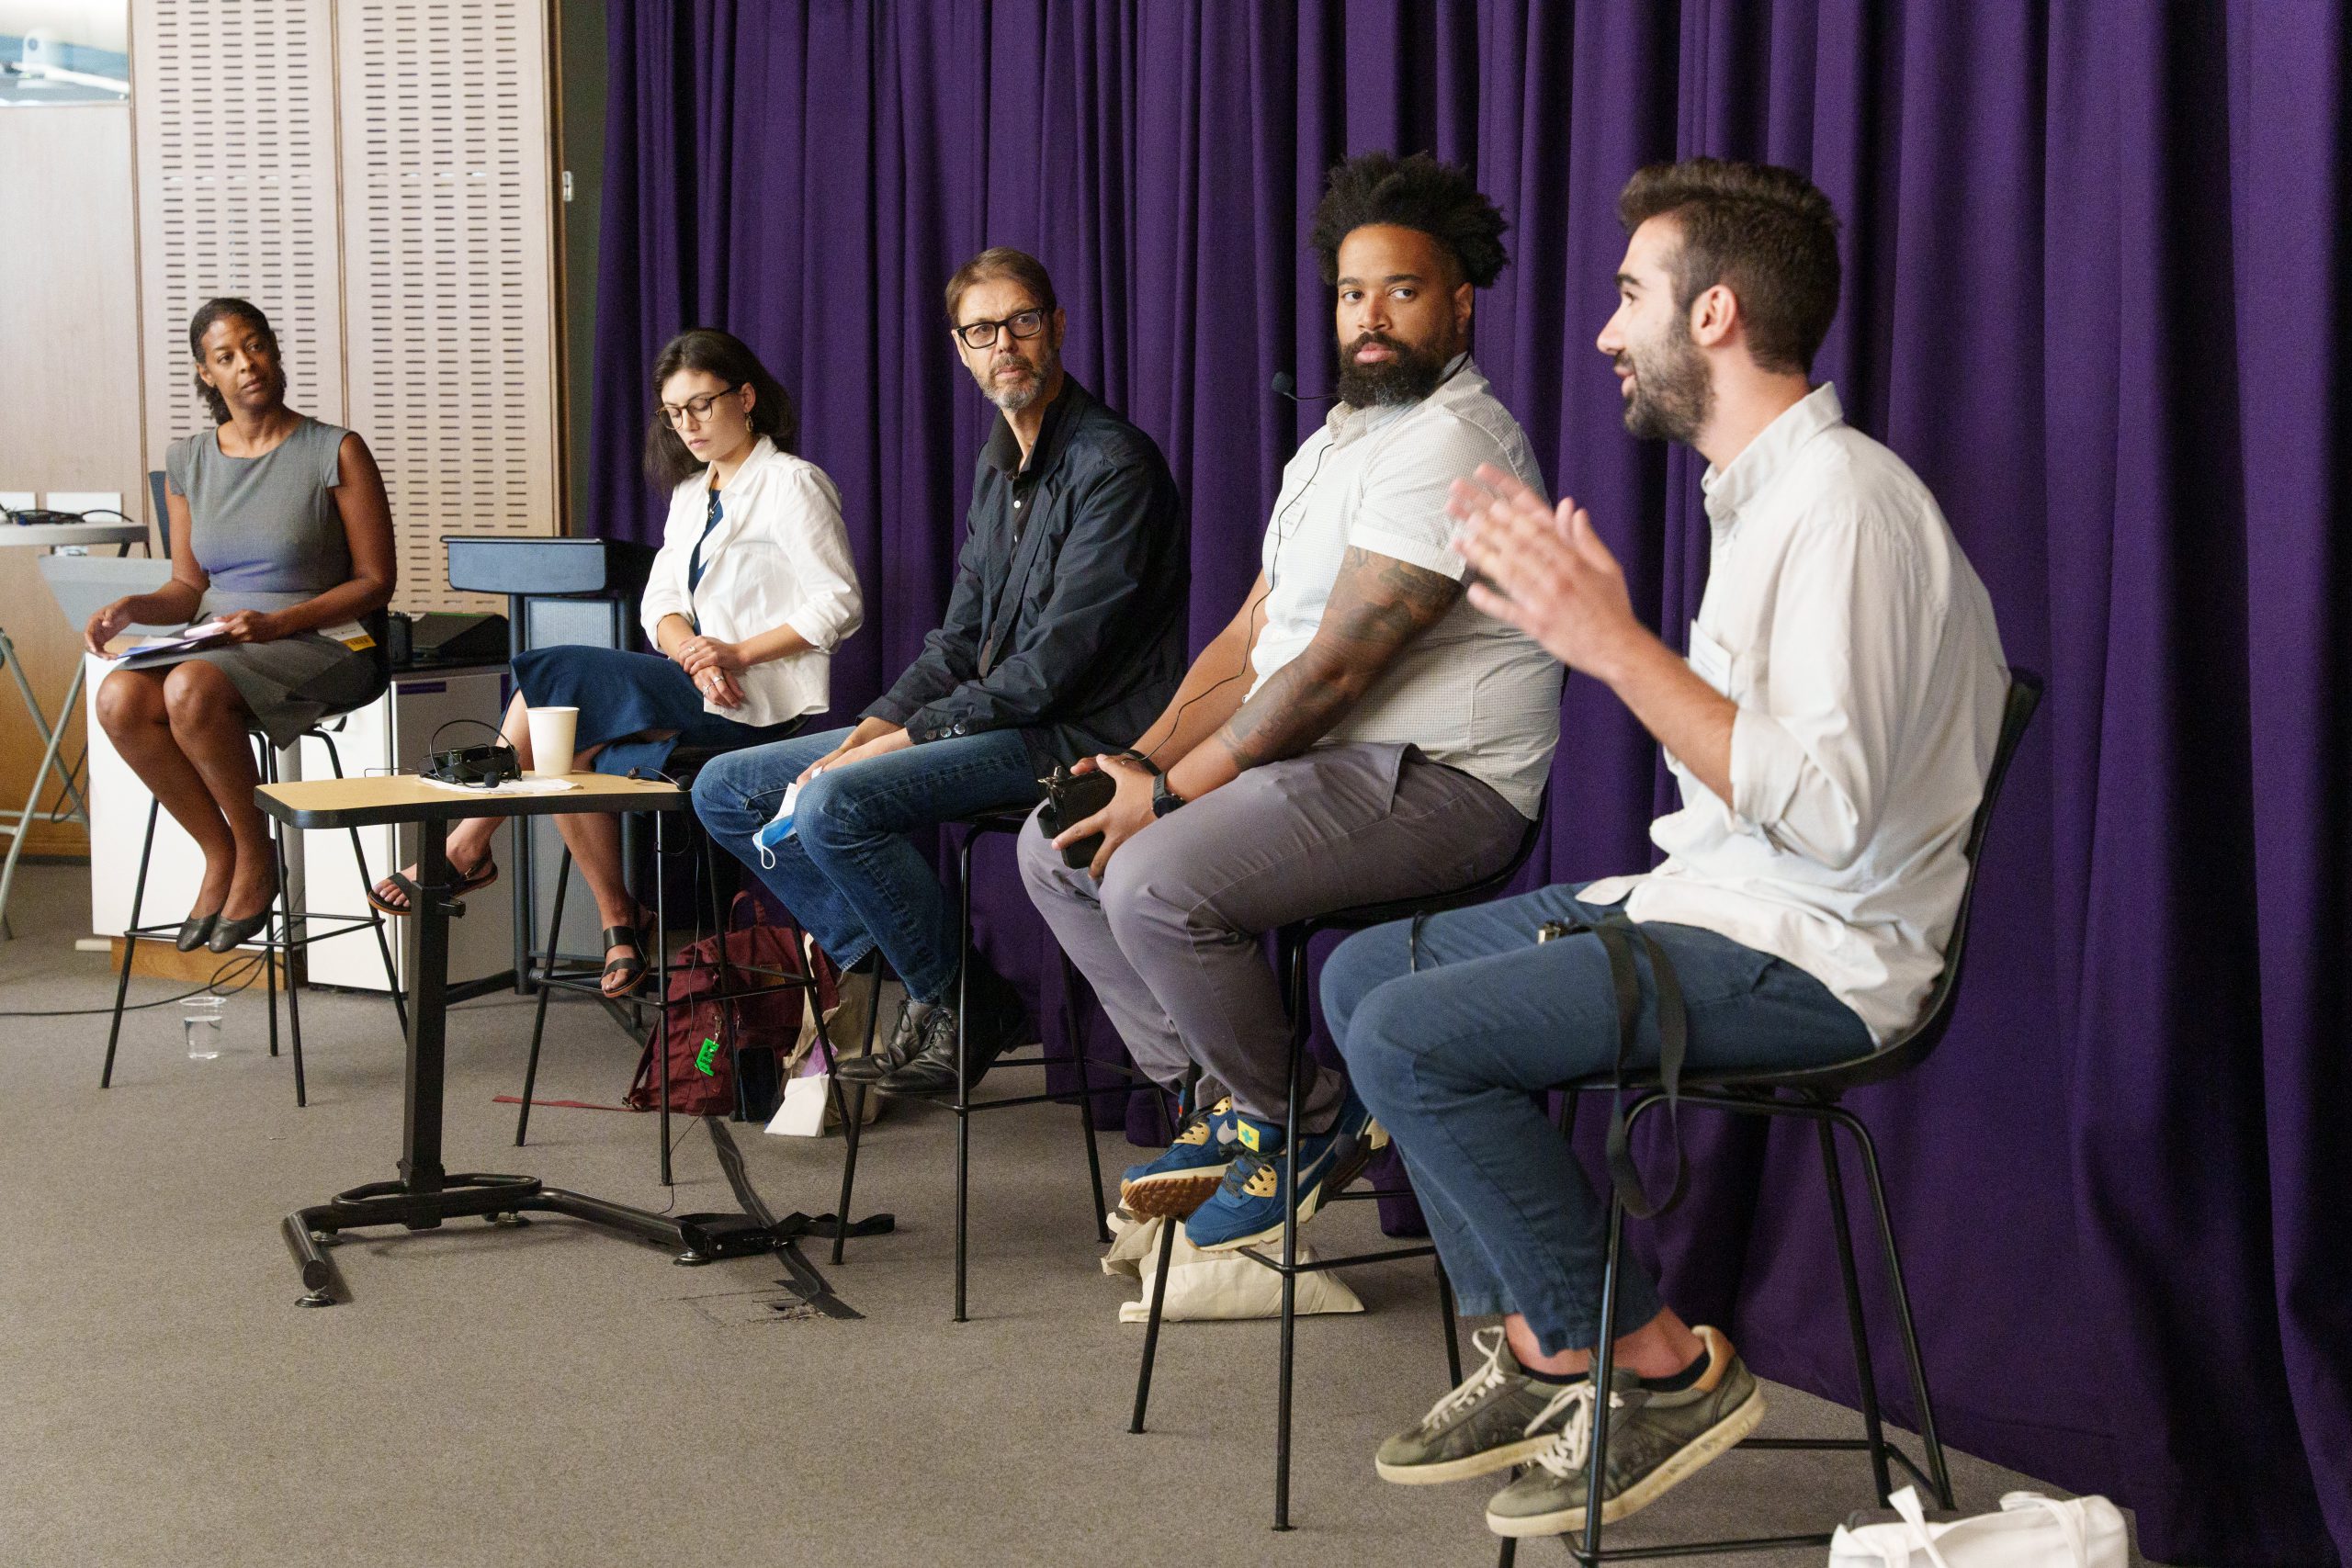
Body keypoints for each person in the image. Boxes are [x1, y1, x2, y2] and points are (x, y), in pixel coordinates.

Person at [1321, 158, 2009, 1540]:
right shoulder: (1761, 498)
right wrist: (1611, 639)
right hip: (1714, 901)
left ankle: (1653, 1363)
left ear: (1714, 315)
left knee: (1414, 1035)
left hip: (1817, 954)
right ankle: (1542, 1344)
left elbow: (1824, 813)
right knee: (1359, 977)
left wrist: (1611, 645)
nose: (1603, 330)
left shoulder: (1847, 509)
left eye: (1630, 293)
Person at [1018, 152, 1563, 1254]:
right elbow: (1251, 636)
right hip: (1323, 764)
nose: (1369, 317)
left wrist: (1166, 798)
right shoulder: (1335, 442)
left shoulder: (1453, 442)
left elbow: (1334, 673)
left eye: (1400, 292)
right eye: (1352, 293)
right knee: (1056, 846)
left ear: (1458, 304)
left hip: (1441, 781)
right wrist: (1133, 762)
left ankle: (1293, 1118)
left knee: (1157, 881)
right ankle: (1223, 1095)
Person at [694, 246, 1187, 1094]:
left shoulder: (1116, 465)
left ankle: (953, 996)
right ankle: (948, 987)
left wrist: (893, 744)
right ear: (960, 349)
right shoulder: (998, 467)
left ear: (1058, 327)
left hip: (1073, 734)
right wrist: (882, 726)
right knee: (724, 788)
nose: (1006, 346)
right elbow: (959, 639)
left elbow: (1050, 671)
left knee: (836, 799)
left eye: (1023, 322)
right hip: (992, 717)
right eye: (982, 330)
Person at [368, 328, 862, 998]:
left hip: (759, 703)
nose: (687, 424)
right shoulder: (692, 494)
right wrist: (690, 647)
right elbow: (658, 601)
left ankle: (468, 844)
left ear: (745, 397)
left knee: (555, 673)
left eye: (703, 404)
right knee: (560, 747)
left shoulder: (793, 484)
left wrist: (734, 651)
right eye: (673, 411)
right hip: (694, 686)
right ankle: (619, 923)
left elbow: (839, 602)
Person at [87, 298, 397, 954]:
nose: (246, 364)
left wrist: (277, 620)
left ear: (275, 351)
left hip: (330, 638)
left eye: (254, 345)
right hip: (224, 638)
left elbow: (376, 582)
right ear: (206, 374)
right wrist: (133, 608)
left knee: (189, 690)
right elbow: (187, 587)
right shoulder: (188, 460)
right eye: (225, 356)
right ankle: (220, 850)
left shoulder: (334, 449)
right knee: (117, 696)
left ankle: (257, 858)